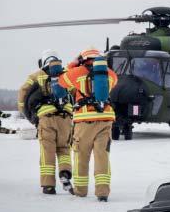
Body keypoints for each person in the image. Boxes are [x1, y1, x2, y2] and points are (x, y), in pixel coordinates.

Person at [58, 47, 118, 201]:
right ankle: (103, 192)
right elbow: (114, 83)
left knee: (81, 156)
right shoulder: (110, 74)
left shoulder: (77, 72)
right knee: (102, 156)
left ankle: (80, 190)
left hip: (84, 120)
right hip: (106, 119)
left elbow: (61, 81)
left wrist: (73, 65)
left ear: (83, 59)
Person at [17, 50, 74, 195]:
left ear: (43, 62)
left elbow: (23, 94)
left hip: (46, 118)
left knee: (47, 151)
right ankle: (65, 173)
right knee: (64, 148)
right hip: (65, 118)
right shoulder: (66, 74)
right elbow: (75, 93)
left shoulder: (36, 76)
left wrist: (32, 117)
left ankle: (48, 186)